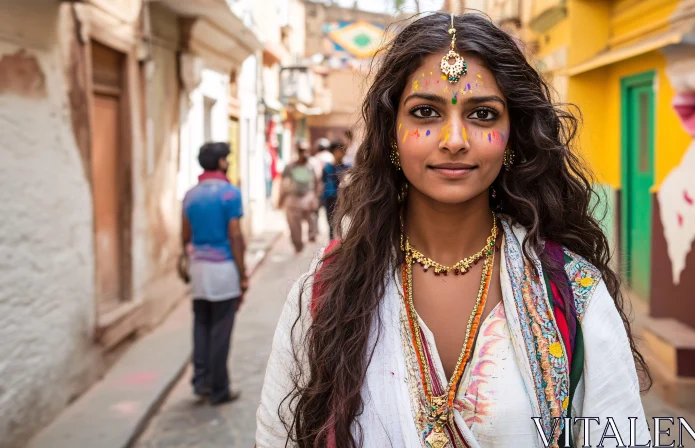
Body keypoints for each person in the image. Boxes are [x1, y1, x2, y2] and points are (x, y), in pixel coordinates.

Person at [256, 13, 651, 448]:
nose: (455, 139)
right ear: (392, 133)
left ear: (513, 135)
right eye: (426, 112)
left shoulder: (572, 293)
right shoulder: (327, 291)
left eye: (483, 114)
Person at [182, 142, 245, 406]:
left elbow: (184, 234)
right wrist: (243, 273)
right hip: (223, 270)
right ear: (221, 162)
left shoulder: (190, 194)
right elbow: (235, 235)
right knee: (221, 329)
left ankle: (201, 382)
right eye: (226, 159)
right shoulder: (230, 194)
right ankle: (219, 389)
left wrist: (184, 259)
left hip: (198, 267)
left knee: (201, 324)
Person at [279, 142, 319, 253]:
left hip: (308, 198)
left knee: (312, 219)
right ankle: (298, 245)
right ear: (298, 152)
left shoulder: (311, 166)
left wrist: (314, 196)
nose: (304, 153)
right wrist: (281, 198)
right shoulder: (290, 167)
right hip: (293, 199)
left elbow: (316, 182)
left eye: (306, 150)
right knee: (294, 225)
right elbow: (283, 183)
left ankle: (312, 235)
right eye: (301, 151)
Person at [321, 140, 351, 240]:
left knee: (344, 225)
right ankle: (332, 246)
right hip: (330, 198)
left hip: (345, 200)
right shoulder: (327, 168)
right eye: (336, 151)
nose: (339, 154)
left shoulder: (348, 168)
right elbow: (323, 182)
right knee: (331, 224)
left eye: (341, 151)